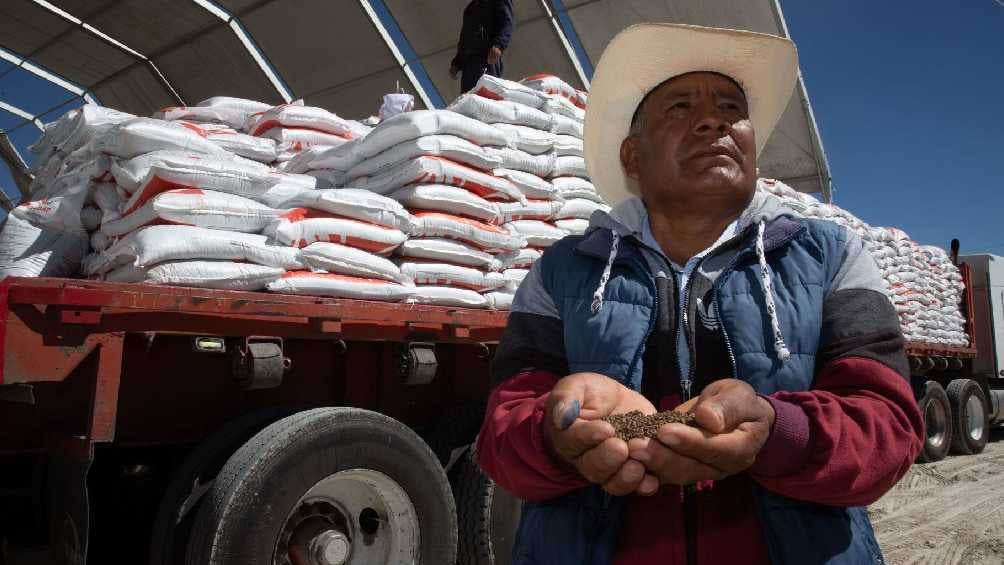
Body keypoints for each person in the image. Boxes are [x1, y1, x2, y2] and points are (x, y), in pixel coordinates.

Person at [476, 23, 924, 565]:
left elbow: (887, 426)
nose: (714, 120)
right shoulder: (562, 273)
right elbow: (501, 437)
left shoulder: (832, 257)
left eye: (732, 108)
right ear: (633, 158)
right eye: (680, 107)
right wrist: (556, 430)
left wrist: (776, 429)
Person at [450, 0, 514, 93]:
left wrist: (499, 45)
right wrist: (457, 62)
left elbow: (507, 22)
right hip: (469, 63)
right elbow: (465, 36)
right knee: (467, 99)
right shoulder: (471, 7)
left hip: (486, 58)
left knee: (481, 95)